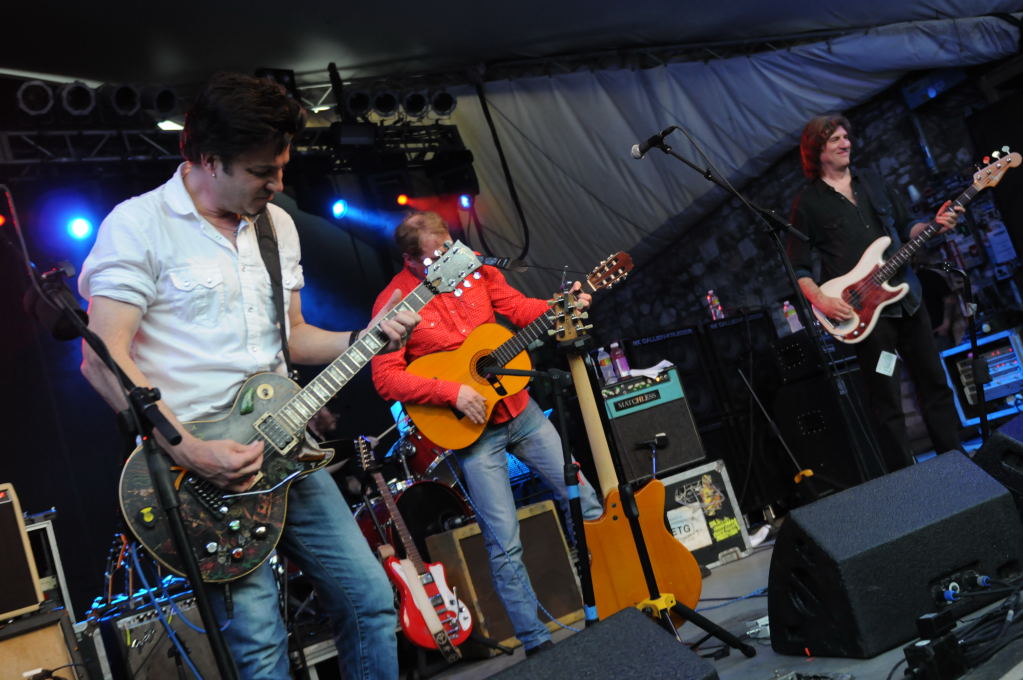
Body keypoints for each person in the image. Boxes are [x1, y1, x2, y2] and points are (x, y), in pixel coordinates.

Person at [78, 72, 419, 679]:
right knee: (259, 644)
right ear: (209, 160)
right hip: (197, 469)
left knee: (370, 600)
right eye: (262, 171)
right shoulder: (137, 226)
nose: (277, 184)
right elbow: (102, 359)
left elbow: (293, 336)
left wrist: (366, 336)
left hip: (284, 445)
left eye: (281, 168)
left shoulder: (276, 224)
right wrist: (189, 448)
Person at [370, 211, 603, 656]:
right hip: (472, 435)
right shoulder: (393, 302)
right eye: (433, 258)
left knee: (585, 502)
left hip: (520, 409)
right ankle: (537, 644)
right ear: (410, 261)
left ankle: (611, 590)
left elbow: (518, 309)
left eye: (448, 249)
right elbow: (385, 379)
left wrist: (560, 306)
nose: (446, 260)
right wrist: (451, 392)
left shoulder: (473, 265)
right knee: (504, 542)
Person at [787, 113, 962, 472]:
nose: (845, 143)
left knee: (935, 383)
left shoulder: (873, 181)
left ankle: (956, 463)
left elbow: (907, 227)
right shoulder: (808, 203)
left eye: (845, 137)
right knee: (887, 402)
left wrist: (934, 226)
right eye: (835, 139)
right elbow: (798, 267)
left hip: (907, 299)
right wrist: (822, 300)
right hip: (864, 313)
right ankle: (905, 479)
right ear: (817, 150)